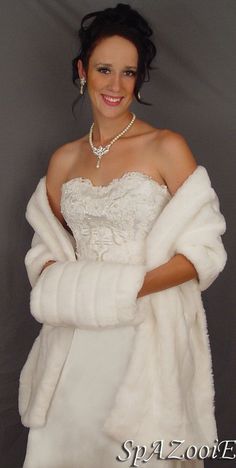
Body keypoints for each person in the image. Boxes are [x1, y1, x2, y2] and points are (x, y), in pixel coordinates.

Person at [21, 4, 227, 468]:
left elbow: (204, 253)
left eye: (128, 73)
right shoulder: (63, 161)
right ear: (83, 71)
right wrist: (79, 290)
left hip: (143, 342)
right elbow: (47, 255)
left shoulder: (166, 147)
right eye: (104, 69)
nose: (115, 85)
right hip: (74, 348)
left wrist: (121, 289)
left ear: (139, 79)